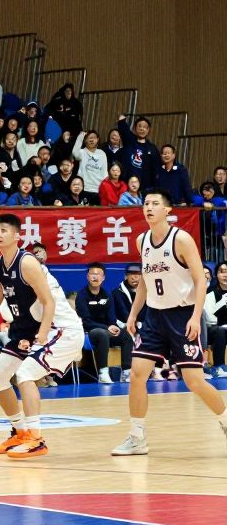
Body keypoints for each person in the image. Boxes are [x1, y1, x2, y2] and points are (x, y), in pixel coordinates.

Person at [0, 214, 85, 459]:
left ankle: (37, 440)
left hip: (61, 330)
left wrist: (42, 334)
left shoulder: (28, 263)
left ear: (18, 236)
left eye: (4, 230)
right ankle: (20, 432)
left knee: (25, 375)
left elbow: (48, 302)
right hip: (30, 328)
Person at [112, 190, 227, 455]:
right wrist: (132, 314)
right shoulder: (142, 240)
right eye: (146, 204)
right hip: (154, 316)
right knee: (137, 374)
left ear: (167, 210)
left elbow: (201, 280)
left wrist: (196, 317)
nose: (149, 207)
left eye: (155, 204)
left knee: (194, 380)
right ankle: (137, 437)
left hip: (182, 315)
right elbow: (144, 281)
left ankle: (224, 419)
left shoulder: (181, 239)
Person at [75, 262, 134, 383]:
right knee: (102, 333)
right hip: (89, 333)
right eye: (92, 274)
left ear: (103, 278)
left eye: (98, 274)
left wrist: (113, 326)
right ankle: (103, 373)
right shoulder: (81, 296)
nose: (95, 277)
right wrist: (107, 328)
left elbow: (111, 318)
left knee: (126, 335)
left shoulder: (107, 294)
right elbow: (86, 321)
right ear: (87, 276)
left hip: (107, 330)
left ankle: (126, 372)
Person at [204, 261, 227, 379]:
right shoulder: (210, 292)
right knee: (220, 331)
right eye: (222, 271)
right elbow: (210, 319)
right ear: (216, 275)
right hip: (214, 330)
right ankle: (219, 366)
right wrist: (223, 301)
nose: (225, 275)